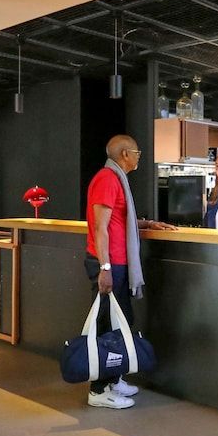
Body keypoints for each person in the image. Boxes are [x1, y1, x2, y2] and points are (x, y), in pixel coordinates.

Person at [85, 134, 175, 409]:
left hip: (118, 264)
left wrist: (147, 224)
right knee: (107, 327)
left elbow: (118, 219)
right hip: (109, 264)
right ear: (125, 154)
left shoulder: (116, 179)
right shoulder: (107, 179)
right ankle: (98, 390)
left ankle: (114, 379)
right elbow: (100, 228)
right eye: (137, 152)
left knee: (120, 323)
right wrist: (105, 267)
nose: (139, 157)